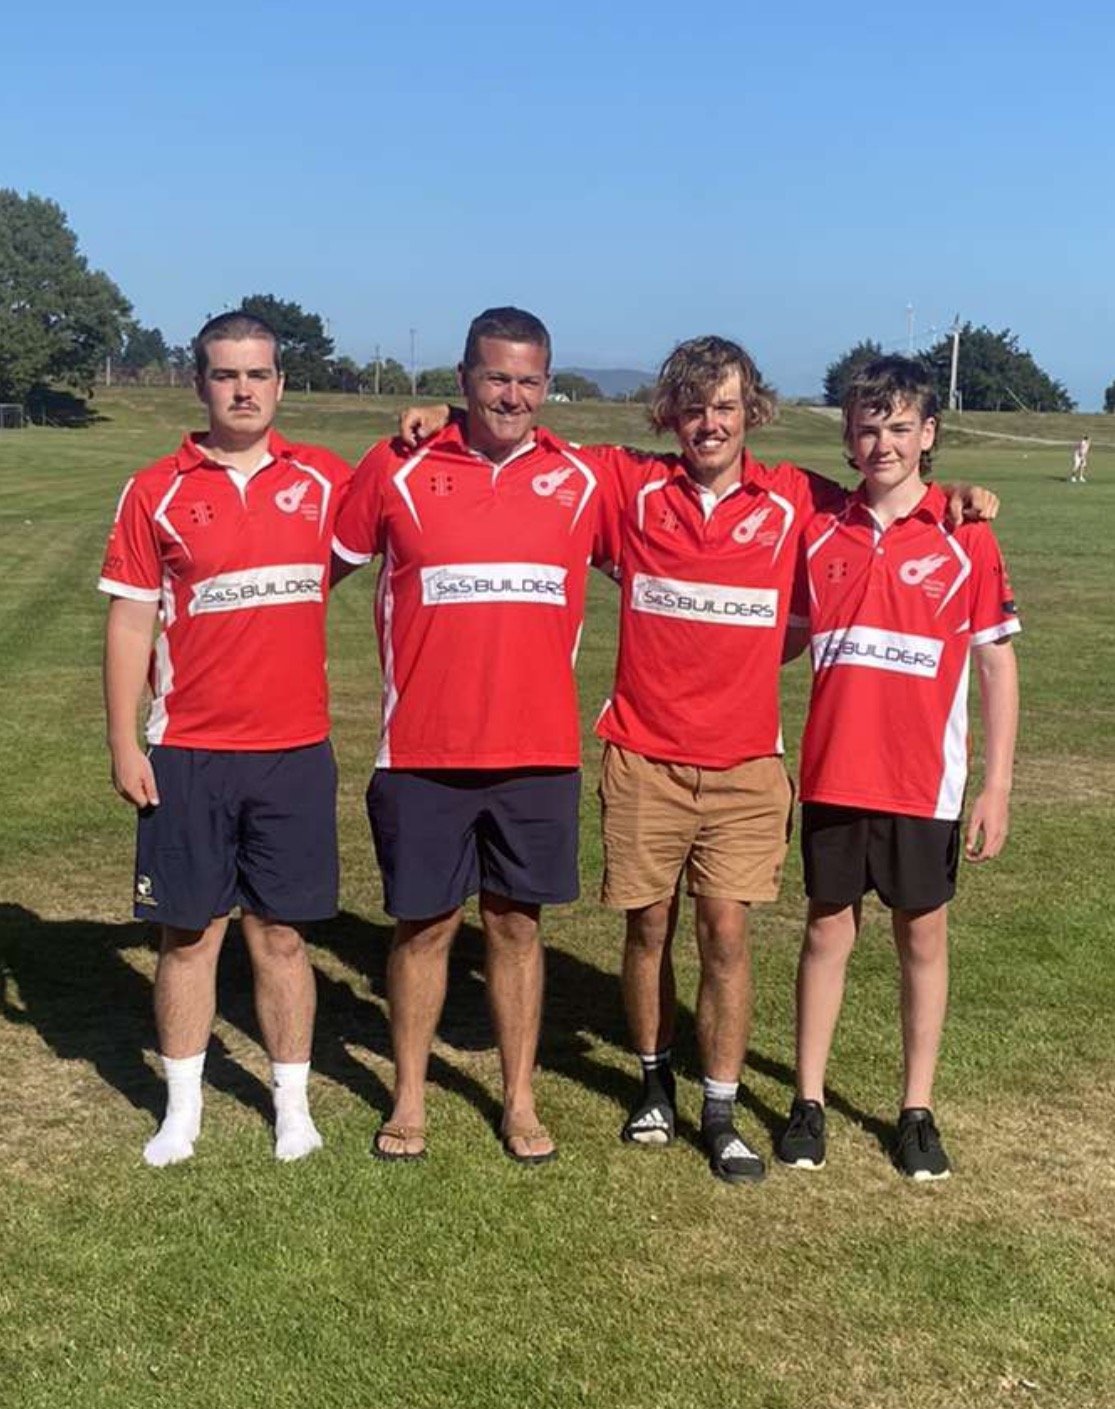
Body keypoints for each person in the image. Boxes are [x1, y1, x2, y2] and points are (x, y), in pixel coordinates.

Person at [401, 336, 998, 1185]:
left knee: (725, 931)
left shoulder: (796, 498)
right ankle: (651, 1080)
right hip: (642, 754)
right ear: (669, 416)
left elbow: (891, 493)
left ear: (748, 410)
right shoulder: (632, 486)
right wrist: (450, 417)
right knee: (647, 926)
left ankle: (718, 1103)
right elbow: (527, 437)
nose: (708, 423)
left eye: (723, 406)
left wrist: (959, 497)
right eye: (691, 407)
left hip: (747, 764)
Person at [332, 307, 603, 1165]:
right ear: (463, 379)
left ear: (546, 383)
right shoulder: (398, 464)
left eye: (528, 379)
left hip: (538, 752)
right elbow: (316, 563)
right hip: (420, 751)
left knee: (517, 929)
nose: (511, 395)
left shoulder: (583, 479)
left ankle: (518, 1100)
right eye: (495, 378)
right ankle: (408, 1097)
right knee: (423, 927)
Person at [99, 311, 353, 1166]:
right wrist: (124, 741)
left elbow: (392, 508)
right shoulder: (154, 489)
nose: (242, 389)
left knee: (282, 936)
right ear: (199, 383)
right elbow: (131, 621)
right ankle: (182, 1110)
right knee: (188, 934)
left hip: (293, 750)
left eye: (257, 374)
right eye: (224, 374)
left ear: (280, 383)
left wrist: (423, 430)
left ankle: (291, 1105)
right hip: (188, 750)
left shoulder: (324, 481)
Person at [775, 356, 1019, 1181]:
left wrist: (996, 783)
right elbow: (785, 640)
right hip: (835, 775)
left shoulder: (964, 533)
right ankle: (806, 1100)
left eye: (898, 425)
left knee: (922, 936)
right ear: (847, 435)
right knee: (825, 930)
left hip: (925, 783)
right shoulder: (818, 528)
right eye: (866, 426)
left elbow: (994, 666)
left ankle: (915, 1108)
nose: (881, 441)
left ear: (929, 434)